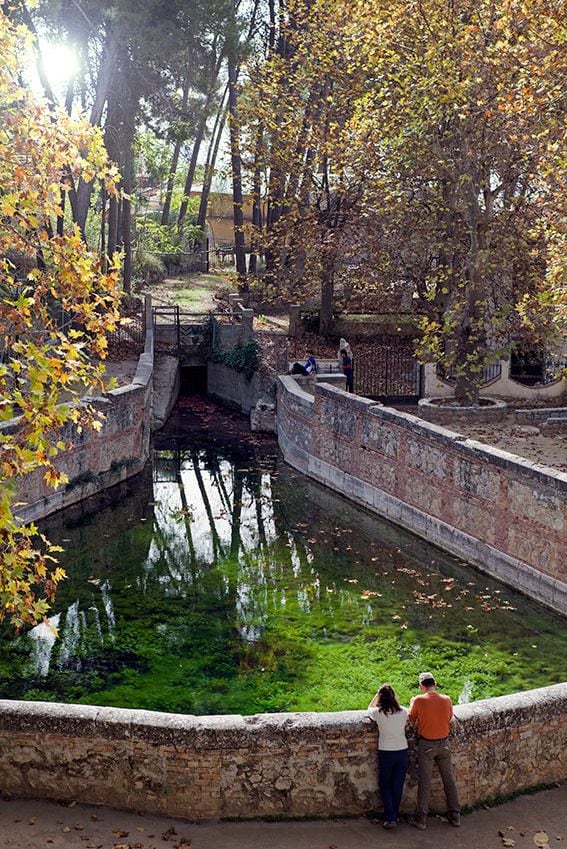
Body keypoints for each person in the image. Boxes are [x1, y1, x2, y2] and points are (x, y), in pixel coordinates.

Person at [407, 671, 461, 830]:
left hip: (426, 745)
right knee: (449, 779)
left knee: (425, 781)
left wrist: (412, 702)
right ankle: (455, 814)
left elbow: (411, 718)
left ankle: (421, 819)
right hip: (444, 744)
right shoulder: (447, 699)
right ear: (435, 684)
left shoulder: (418, 700)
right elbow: (449, 717)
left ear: (421, 687)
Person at [368, 684, 409, 830]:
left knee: (385, 785)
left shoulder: (378, 713)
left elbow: (369, 708)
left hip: (386, 752)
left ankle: (390, 816)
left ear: (381, 698)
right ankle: (395, 815)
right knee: (397, 785)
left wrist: (377, 695)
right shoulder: (403, 712)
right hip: (402, 750)